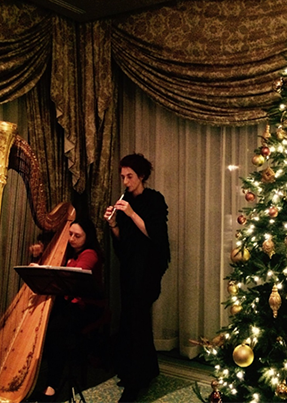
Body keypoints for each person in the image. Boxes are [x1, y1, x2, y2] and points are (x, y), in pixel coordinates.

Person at [103, 153, 170, 403]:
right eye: (122, 177)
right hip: (130, 268)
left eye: (129, 176)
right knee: (129, 318)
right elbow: (123, 244)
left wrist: (130, 213)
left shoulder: (154, 199)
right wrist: (112, 225)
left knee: (138, 320)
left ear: (141, 176)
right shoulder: (124, 200)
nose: (125, 181)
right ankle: (143, 370)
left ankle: (135, 382)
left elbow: (155, 235)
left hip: (149, 268)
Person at [36, 217, 104, 401]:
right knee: (47, 323)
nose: (72, 238)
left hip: (88, 306)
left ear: (87, 237)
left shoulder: (90, 254)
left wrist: (47, 268)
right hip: (71, 303)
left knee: (56, 329)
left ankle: (52, 384)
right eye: (70, 234)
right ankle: (41, 375)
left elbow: (73, 276)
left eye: (77, 236)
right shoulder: (68, 251)